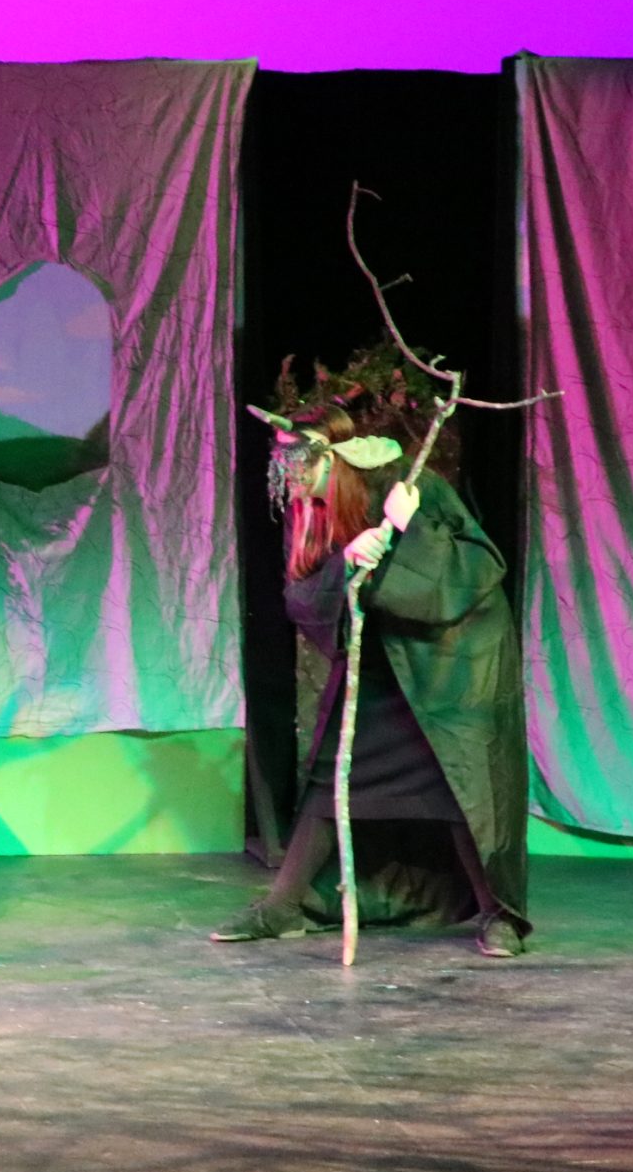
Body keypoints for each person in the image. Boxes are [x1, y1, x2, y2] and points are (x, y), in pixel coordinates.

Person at [213, 402, 531, 958]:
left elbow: (476, 567)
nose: (289, 481)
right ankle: (284, 905)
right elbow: (302, 598)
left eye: (298, 466)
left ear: (329, 459)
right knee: (333, 773)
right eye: (281, 467)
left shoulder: (407, 484)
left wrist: (411, 526)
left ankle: (498, 912)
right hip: (382, 656)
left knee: (455, 782)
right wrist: (346, 563)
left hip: (448, 660)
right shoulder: (311, 515)